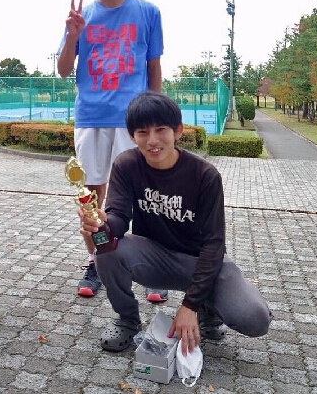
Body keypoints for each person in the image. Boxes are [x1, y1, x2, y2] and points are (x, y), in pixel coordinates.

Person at [78, 91, 273, 354]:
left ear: (178, 131)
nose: (152, 140)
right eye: (143, 132)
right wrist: (101, 224)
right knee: (107, 249)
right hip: (155, 258)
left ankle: (207, 309)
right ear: (132, 136)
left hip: (201, 261)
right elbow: (119, 220)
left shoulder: (204, 175)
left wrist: (189, 305)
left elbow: (214, 244)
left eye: (161, 130)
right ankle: (127, 320)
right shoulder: (126, 165)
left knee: (255, 319)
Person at [57, 0, 167, 302]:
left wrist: (155, 115)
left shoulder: (148, 12)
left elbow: (154, 66)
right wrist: (72, 36)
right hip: (91, 117)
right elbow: (62, 70)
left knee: (143, 194)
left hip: (134, 120)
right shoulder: (81, 18)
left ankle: (152, 267)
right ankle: (99, 260)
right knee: (91, 196)